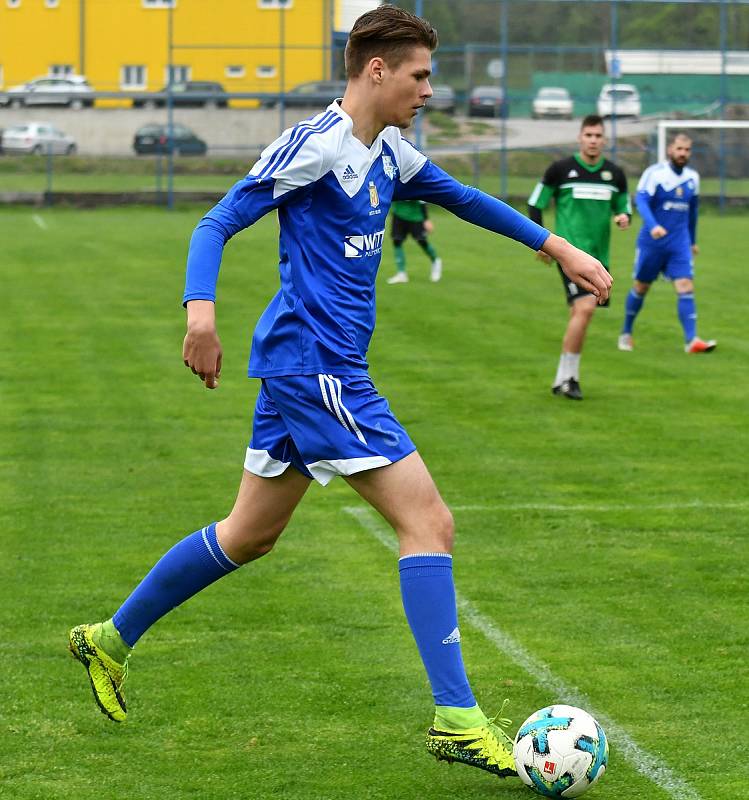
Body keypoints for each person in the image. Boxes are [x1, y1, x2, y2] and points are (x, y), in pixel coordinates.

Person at [68, 4, 610, 783]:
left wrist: (555, 245)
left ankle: (108, 639)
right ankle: (457, 719)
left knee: (247, 535)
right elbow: (216, 222)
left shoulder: (387, 151)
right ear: (377, 70)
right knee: (429, 522)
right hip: (317, 368)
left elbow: (462, 198)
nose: (429, 90)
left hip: (306, 367)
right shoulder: (316, 146)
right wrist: (199, 314)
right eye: (420, 75)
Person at [528, 114, 630, 400]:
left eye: (598, 136)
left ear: (605, 140)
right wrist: (542, 242)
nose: (593, 140)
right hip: (570, 255)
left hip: (600, 257)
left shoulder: (615, 174)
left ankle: (562, 378)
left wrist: (624, 217)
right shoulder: (560, 169)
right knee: (585, 309)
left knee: (581, 314)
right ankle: (570, 378)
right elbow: (535, 203)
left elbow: (624, 207)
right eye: (589, 135)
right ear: (580, 137)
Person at [618, 132, 716, 353]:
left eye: (687, 150)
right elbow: (641, 200)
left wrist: (693, 241)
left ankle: (692, 341)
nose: (683, 154)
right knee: (641, 287)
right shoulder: (655, 174)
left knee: (685, 286)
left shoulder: (693, 178)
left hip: (679, 243)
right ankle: (626, 333)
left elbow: (693, 212)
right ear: (670, 150)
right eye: (679, 149)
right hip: (652, 243)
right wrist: (653, 226)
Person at [386, 199, 443, 283]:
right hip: (398, 214)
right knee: (397, 241)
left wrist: (426, 219)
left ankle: (436, 262)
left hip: (415, 216)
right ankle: (401, 273)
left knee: (422, 241)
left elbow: (422, 199)